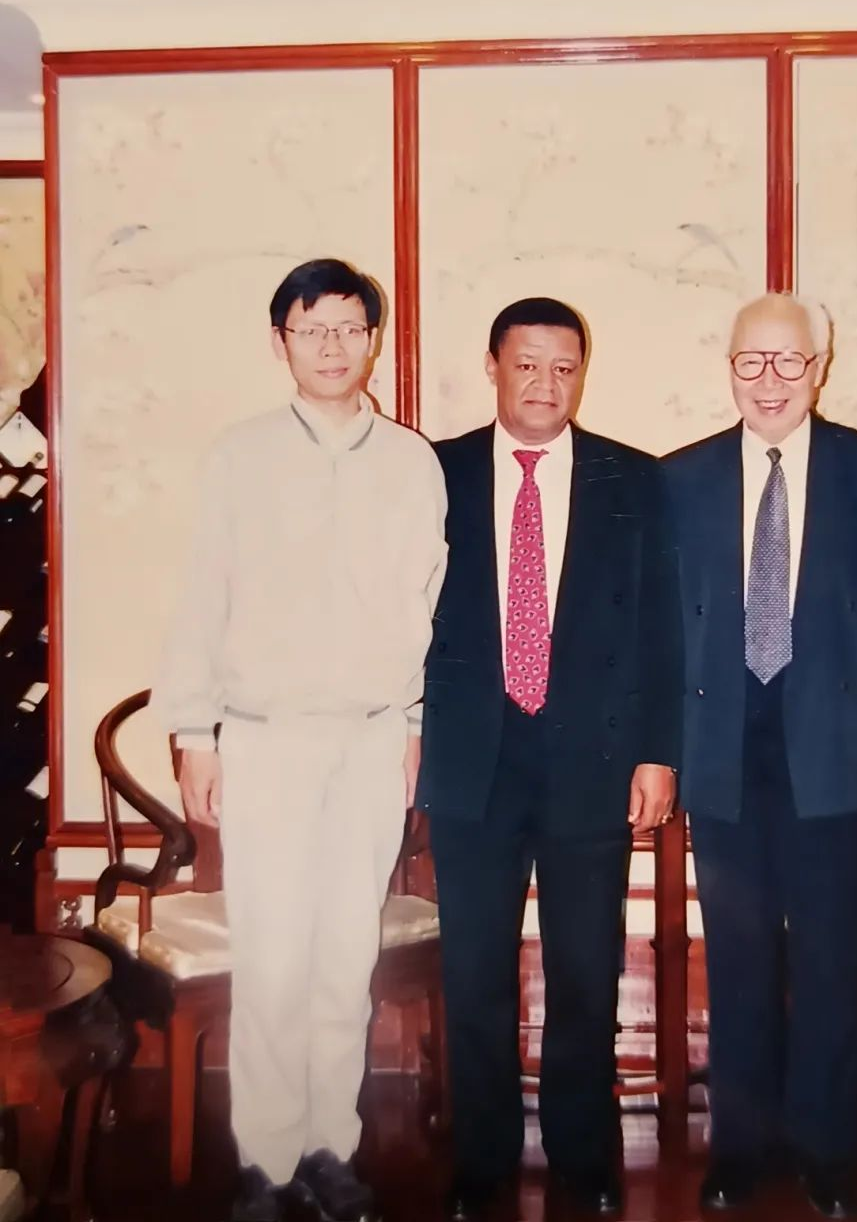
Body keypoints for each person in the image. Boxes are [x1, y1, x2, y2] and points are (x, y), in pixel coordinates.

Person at [155, 258, 447, 1222]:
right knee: (275, 959)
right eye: (311, 328)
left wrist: (413, 725)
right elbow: (202, 597)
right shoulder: (239, 457)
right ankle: (269, 1161)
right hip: (266, 740)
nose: (332, 346)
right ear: (279, 340)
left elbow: (428, 606)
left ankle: (331, 1149)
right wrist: (194, 733)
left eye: (350, 328)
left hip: (371, 742)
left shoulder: (411, 462)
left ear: (374, 340)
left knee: (343, 958)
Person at [418, 297, 682, 1219]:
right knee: (474, 971)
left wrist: (658, 753)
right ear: (493, 366)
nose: (545, 383)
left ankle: (582, 1153)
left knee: (586, 967)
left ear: (582, 373)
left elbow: (662, 629)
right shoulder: (434, 473)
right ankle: (482, 1158)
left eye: (563, 367)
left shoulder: (633, 478)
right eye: (527, 364)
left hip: (592, 758)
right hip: (471, 758)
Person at [665, 292, 857, 1219]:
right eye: (751, 361)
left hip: (833, 751)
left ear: (820, 367)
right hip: (722, 754)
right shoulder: (682, 478)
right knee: (736, 959)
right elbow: (669, 615)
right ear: (729, 367)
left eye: (789, 361)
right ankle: (740, 1148)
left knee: (828, 960)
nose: (769, 381)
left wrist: (842, 680)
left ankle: (828, 1152)